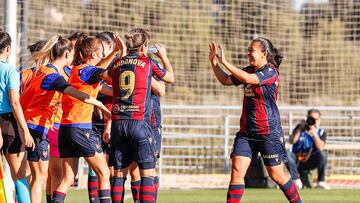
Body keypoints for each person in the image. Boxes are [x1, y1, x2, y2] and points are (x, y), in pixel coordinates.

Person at [209, 38, 302, 203]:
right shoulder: (249, 70)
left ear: (263, 54)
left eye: (251, 50)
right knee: (237, 171)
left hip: (268, 133)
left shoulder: (270, 72)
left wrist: (225, 62)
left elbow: (249, 79)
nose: (248, 53)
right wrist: (215, 62)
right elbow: (225, 80)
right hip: (246, 132)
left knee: (277, 175)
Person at [20, 35, 111, 203]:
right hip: (39, 127)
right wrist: (99, 104)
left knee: (51, 177)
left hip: (34, 126)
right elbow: (74, 93)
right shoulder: (53, 76)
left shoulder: (42, 70)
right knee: (41, 177)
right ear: (68, 54)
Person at [51, 36, 124, 203]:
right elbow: (105, 73)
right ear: (92, 54)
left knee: (68, 179)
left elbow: (98, 68)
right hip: (80, 129)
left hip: (65, 129)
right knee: (104, 172)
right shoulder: (90, 71)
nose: (101, 57)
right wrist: (122, 55)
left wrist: (113, 51)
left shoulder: (76, 70)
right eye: (100, 54)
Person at [109, 28, 174, 203]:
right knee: (147, 172)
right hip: (139, 122)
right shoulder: (148, 63)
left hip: (118, 122)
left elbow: (108, 78)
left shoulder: (116, 64)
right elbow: (170, 78)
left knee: (118, 174)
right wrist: (164, 57)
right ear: (144, 46)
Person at [0, 30, 35, 203]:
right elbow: (14, 102)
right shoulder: (10, 70)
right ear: (8, 48)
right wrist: (25, 130)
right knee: (19, 175)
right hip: (7, 122)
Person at [287, 109, 330, 189]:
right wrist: (300, 128)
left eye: (315, 119)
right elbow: (291, 141)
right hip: (297, 160)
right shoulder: (299, 128)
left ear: (319, 120)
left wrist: (314, 133)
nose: (313, 121)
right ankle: (296, 180)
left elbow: (320, 147)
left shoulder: (321, 132)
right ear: (307, 118)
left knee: (323, 153)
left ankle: (321, 182)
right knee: (287, 154)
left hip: (310, 161)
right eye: (311, 118)